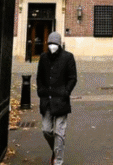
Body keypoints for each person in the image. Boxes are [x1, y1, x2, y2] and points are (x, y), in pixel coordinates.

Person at [36, 31, 77, 165]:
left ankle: (58, 161)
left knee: (60, 133)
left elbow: (72, 78)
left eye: (55, 43)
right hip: (47, 100)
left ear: (59, 44)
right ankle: (56, 150)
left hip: (61, 100)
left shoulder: (68, 57)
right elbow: (39, 77)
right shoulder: (43, 57)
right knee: (46, 130)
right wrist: (41, 91)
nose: (52, 46)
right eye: (50, 43)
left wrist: (66, 92)